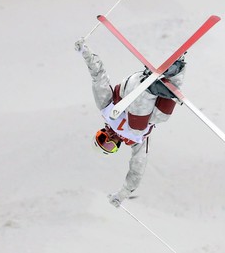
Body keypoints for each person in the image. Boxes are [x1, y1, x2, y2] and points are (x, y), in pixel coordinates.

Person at [74, 38, 186, 207]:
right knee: (160, 119)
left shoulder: (105, 109)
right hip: (154, 100)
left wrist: (85, 52)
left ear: (101, 131)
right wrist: (122, 194)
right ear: (116, 148)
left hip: (133, 87)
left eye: (102, 138)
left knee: (136, 128)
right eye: (109, 146)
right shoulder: (135, 141)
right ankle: (176, 71)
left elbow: (99, 77)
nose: (109, 139)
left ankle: (149, 86)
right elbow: (137, 168)